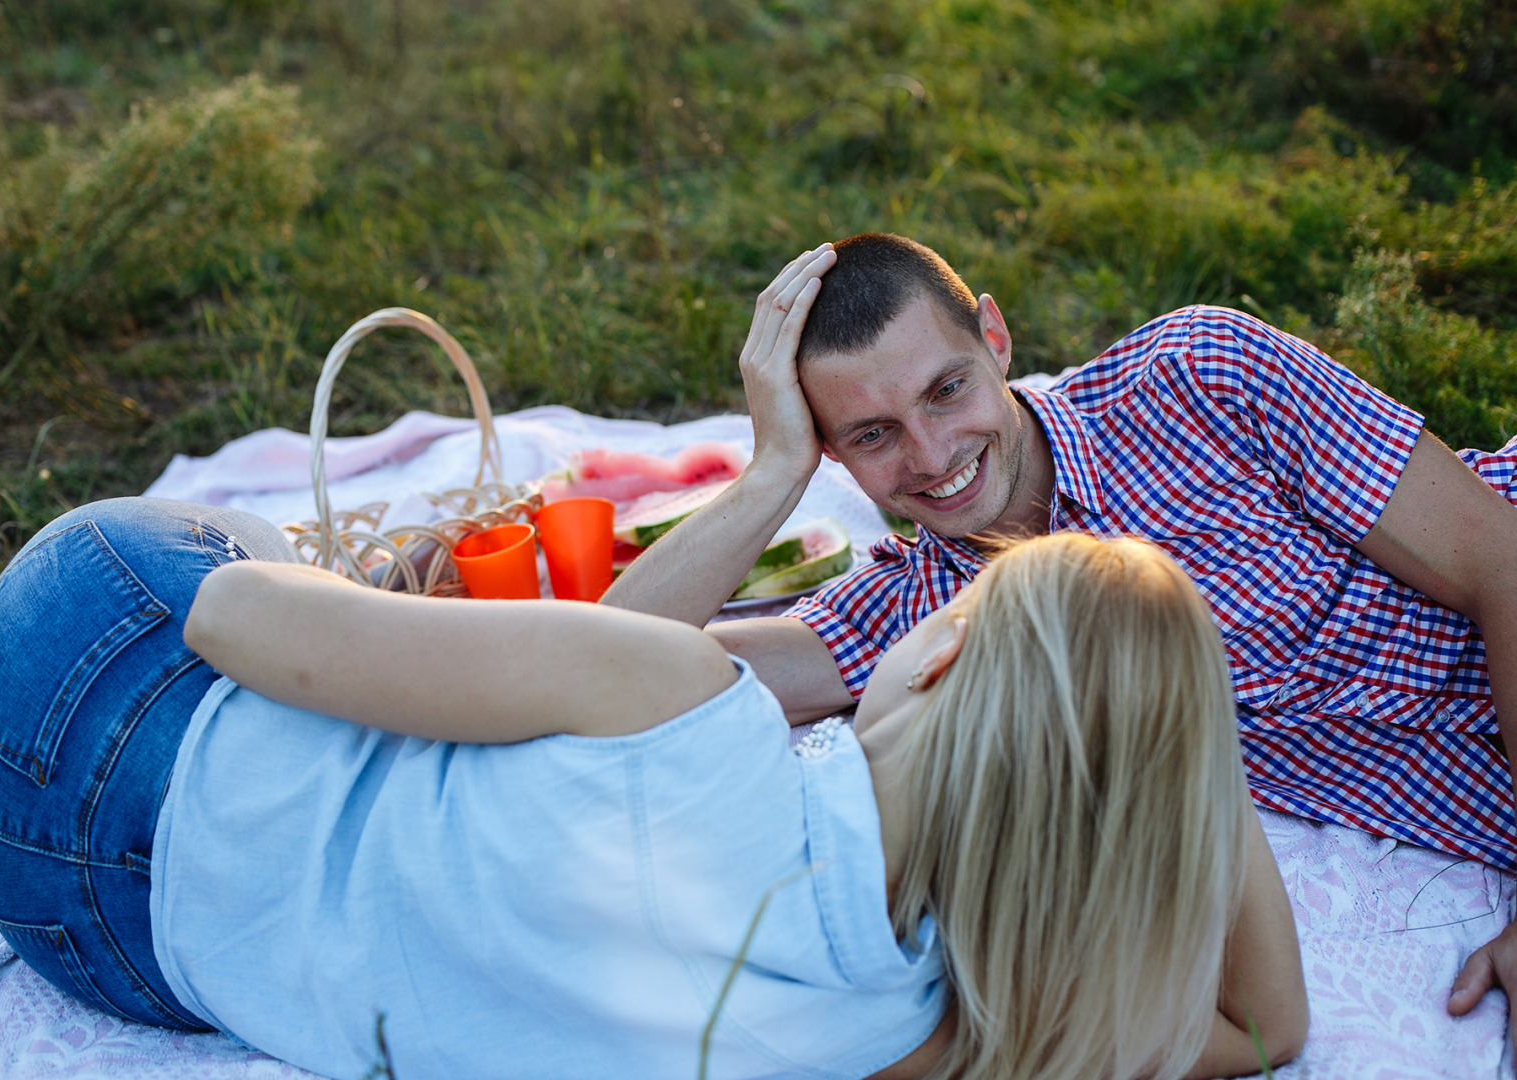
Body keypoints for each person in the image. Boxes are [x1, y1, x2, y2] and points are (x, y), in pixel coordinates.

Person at [0, 497, 1305, 1079]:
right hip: (106, 947)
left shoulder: (688, 708)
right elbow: (1265, 1020)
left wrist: (359, 593)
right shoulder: (933, 1032)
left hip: (100, 674)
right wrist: (1178, 751)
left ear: (937, 669)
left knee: (218, 562)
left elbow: (233, 628)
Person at [601, 232, 1517, 1035]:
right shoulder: (921, 621)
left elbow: (1502, 562)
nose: (931, 457)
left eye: (948, 390)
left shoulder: (1199, 377)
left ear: (995, 339)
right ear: (831, 454)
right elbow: (601, 668)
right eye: (873, 435)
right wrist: (771, 474)